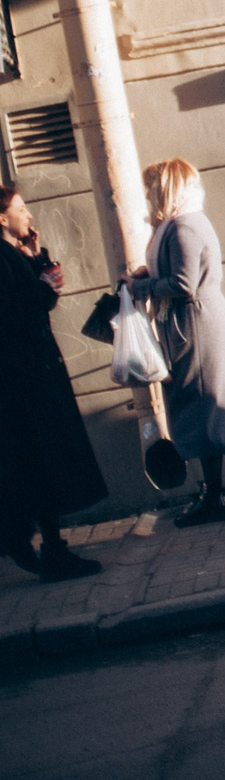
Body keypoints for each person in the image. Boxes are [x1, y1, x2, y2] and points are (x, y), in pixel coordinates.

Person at [127, 157, 225, 526]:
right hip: (189, 322)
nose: (147, 195)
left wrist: (142, 286)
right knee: (200, 410)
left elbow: (183, 284)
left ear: (166, 189)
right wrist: (149, 273)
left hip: (195, 323)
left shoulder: (184, 226)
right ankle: (215, 495)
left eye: (151, 187)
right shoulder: (177, 224)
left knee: (202, 405)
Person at [1, 185, 105, 581]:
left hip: (31, 377)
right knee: (43, 464)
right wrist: (41, 282)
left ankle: (31, 540)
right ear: (2, 219)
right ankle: (50, 550)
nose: (28, 215)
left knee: (37, 466)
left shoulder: (11, 254)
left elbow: (37, 295)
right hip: (26, 381)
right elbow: (23, 310)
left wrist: (34, 254)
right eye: (20, 209)